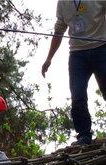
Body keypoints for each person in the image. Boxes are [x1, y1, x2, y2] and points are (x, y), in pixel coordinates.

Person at [42, 0, 106, 145]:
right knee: (77, 96)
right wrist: (49, 58)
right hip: (77, 54)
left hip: (101, 48)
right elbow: (59, 30)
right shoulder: (63, 3)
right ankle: (84, 135)